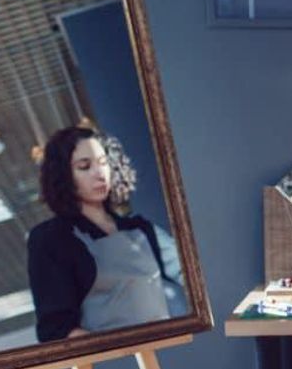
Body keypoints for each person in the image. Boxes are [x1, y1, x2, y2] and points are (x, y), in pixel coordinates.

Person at [27, 127, 185, 342]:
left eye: (103, 162)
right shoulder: (51, 239)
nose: (99, 173)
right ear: (63, 175)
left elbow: (189, 275)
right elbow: (56, 330)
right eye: (85, 166)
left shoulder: (142, 229)